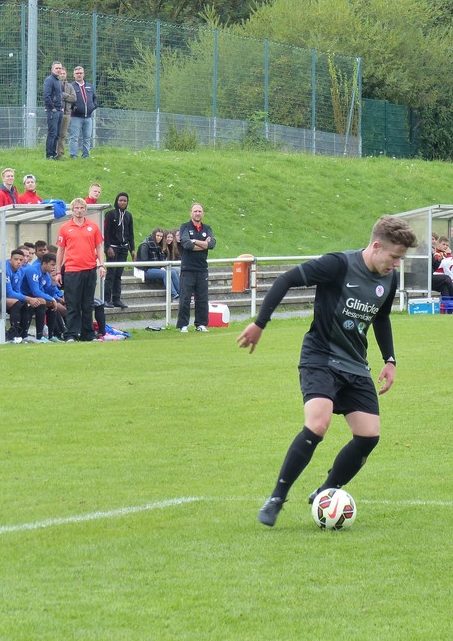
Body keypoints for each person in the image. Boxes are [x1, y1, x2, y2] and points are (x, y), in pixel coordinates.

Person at [239, 215, 418, 527]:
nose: (396, 264)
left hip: (355, 363)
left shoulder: (389, 279)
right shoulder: (338, 265)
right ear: (376, 246)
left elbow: (382, 318)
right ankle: (277, 498)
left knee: (368, 436)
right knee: (318, 424)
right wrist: (260, 323)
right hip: (320, 357)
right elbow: (286, 280)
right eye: (394, 257)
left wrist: (390, 360)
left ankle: (326, 490)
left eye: (401, 258)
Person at [54, 198, 107, 342]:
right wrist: (58, 272)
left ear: (85, 210)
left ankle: (88, 334)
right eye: (76, 208)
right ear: (72, 210)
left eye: (81, 208)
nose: (79, 211)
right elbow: (60, 250)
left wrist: (101, 265)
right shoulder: (65, 227)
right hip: (72, 270)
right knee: (72, 303)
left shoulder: (93, 227)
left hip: (89, 269)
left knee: (88, 303)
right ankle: (71, 334)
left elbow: (99, 247)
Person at [0, 249, 41, 341]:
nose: (18, 262)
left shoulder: (20, 271)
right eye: (16, 259)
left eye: (21, 260)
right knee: (17, 303)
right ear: (10, 260)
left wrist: (26, 299)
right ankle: (13, 334)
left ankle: (23, 335)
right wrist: (28, 298)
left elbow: (17, 290)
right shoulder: (5, 269)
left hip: (0, 294)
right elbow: (9, 292)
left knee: (24, 304)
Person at [176, 203, 215, 332]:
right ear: (191, 213)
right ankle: (183, 325)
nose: (197, 213)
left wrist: (195, 241)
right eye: (195, 211)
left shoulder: (207, 228)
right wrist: (204, 244)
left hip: (202, 268)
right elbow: (186, 244)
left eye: (199, 211)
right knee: (185, 298)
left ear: (203, 213)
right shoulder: (185, 227)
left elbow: (212, 244)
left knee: (202, 298)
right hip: (188, 268)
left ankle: (201, 324)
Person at [22, 252, 67, 341]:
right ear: (44, 264)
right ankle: (39, 336)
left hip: (33, 296)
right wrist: (52, 298)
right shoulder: (33, 270)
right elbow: (35, 291)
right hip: (24, 296)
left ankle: (51, 336)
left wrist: (53, 283)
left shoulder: (46, 274)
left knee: (51, 304)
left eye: (55, 265)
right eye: (52, 265)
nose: (54, 267)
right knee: (42, 301)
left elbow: (48, 292)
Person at [102, 192, 134, 308]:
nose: (122, 202)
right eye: (120, 200)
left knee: (118, 274)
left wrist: (132, 249)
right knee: (111, 274)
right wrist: (108, 247)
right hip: (113, 248)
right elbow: (105, 232)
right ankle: (106, 299)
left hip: (123, 248)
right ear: (117, 201)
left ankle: (116, 299)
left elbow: (130, 233)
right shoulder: (110, 214)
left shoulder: (128, 216)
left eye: (125, 201)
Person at [137, 228, 179, 300]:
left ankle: (181, 293)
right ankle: (174, 295)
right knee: (166, 273)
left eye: (161, 236)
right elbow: (144, 262)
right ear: (154, 235)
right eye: (157, 236)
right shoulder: (145, 245)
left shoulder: (158, 246)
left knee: (173, 272)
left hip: (156, 268)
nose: (159, 238)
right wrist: (159, 267)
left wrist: (160, 267)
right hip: (145, 270)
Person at [69, 65, 98, 159]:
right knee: (74, 137)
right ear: (74, 75)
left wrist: (93, 106)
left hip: (88, 117)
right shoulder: (71, 86)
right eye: (77, 73)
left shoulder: (89, 86)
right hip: (75, 117)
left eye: (80, 73)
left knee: (87, 138)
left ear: (83, 74)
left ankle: (86, 155)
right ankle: (73, 155)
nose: (79, 75)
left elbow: (94, 98)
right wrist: (73, 108)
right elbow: (68, 99)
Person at [43, 60, 64, 160]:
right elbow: (46, 96)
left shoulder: (58, 80)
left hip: (59, 110)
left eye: (60, 68)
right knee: (52, 133)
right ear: (52, 69)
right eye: (57, 68)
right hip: (52, 111)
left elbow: (60, 96)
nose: (58, 70)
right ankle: (49, 155)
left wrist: (61, 107)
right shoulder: (49, 80)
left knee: (57, 134)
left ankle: (54, 154)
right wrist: (53, 108)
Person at [57, 66, 77, 160]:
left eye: (64, 73)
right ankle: (53, 153)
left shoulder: (69, 86)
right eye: (61, 73)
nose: (62, 75)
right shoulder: (55, 84)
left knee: (63, 134)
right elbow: (55, 96)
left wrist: (63, 95)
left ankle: (61, 154)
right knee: (55, 133)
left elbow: (74, 98)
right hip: (56, 112)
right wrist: (66, 95)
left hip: (67, 113)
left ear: (66, 75)